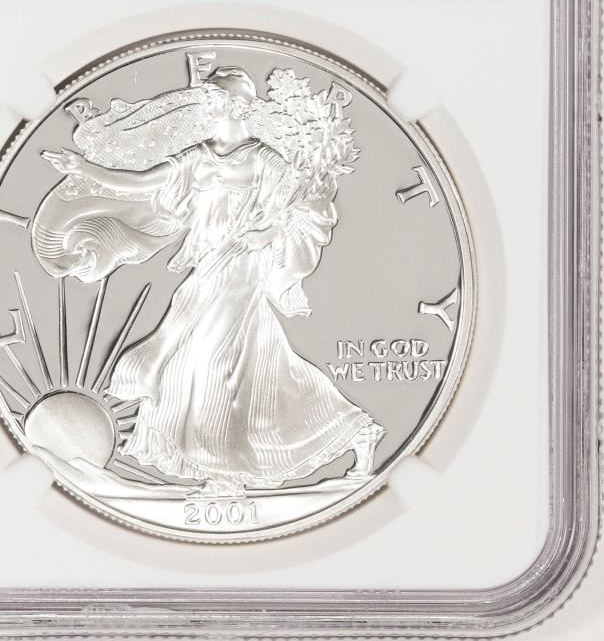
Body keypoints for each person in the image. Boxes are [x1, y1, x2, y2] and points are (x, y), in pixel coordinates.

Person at [40, 67, 383, 495]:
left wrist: (267, 233)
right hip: (207, 266)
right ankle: (356, 432)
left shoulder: (264, 159)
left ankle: (223, 472)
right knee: (256, 362)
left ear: (238, 105)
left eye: (216, 97)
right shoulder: (197, 156)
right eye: (209, 96)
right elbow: (142, 183)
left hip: (242, 265)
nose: (208, 103)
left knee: (210, 358)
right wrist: (85, 168)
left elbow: (296, 207)